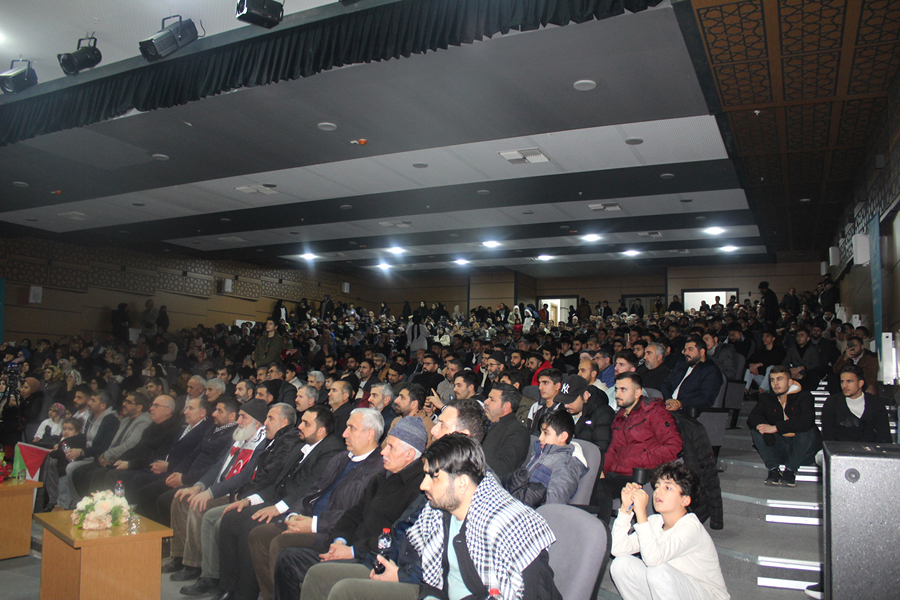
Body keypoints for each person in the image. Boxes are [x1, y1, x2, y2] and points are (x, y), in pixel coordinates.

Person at [270, 415, 427, 600]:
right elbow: (355, 513)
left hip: (372, 559)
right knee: (287, 559)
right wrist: (340, 540)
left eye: (391, 447)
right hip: (350, 547)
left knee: (318, 576)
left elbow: (398, 537)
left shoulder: (420, 489)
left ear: (409, 454)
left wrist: (353, 551)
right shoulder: (382, 477)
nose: (383, 452)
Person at [408, 434, 561, 600]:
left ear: (462, 483)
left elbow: (535, 594)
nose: (423, 485)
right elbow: (427, 572)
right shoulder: (438, 514)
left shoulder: (509, 528)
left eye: (433, 478)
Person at [610, 462, 729, 600]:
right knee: (621, 564)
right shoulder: (655, 522)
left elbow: (653, 560)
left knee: (658, 572)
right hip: (672, 587)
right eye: (657, 486)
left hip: (707, 594)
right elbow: (617, 549)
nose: (658, 492)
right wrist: (625, 510)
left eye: (667, 487)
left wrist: (641, 513)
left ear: (685, 500)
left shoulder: (691, 527)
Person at [594, 373, 682, 516]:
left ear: (637, 393)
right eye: (616, 389)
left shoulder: (655, 412)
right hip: (619, 473)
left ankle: (601, 533)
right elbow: (613, 450)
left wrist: (639, 461)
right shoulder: (620, 417)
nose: (617, 394)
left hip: (642, 474)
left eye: (623, 390)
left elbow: (674, 446)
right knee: (589, 484)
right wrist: (601, 470)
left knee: (600, 488)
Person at [746, 366, 820, 487]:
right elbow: (752, 418)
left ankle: (791, 470)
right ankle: (773, 469)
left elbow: (806, 421)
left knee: (807, 427)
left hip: (803, 451)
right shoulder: (767, 398)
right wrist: (764, 428)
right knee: (758, 427)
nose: (775, 383)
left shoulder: (804, 396)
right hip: (779, 448)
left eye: (780, 379)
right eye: (772, 380)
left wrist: (775, 428)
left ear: (790, 382)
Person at [506, 410, 587, 507]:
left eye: (546, 433)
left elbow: (554, 504)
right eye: (541, 432)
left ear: (563, 437)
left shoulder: (565, 464)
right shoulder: (540, 453)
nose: (540, 438)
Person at [820, 364, 891, 444]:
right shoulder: (832, 402)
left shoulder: (875, 403)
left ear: (860, 383)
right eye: (842, 382)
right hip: (841, 452)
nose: (844, 385)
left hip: (870, 452)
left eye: (849, 381)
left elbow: (884, 435)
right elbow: (828, 435)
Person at [481, 383, 530, 479]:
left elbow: (503, 470)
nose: (486, 402)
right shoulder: (482, 422)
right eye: (488, 398)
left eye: (492, 399)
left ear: (506, 406)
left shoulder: (518, 432)